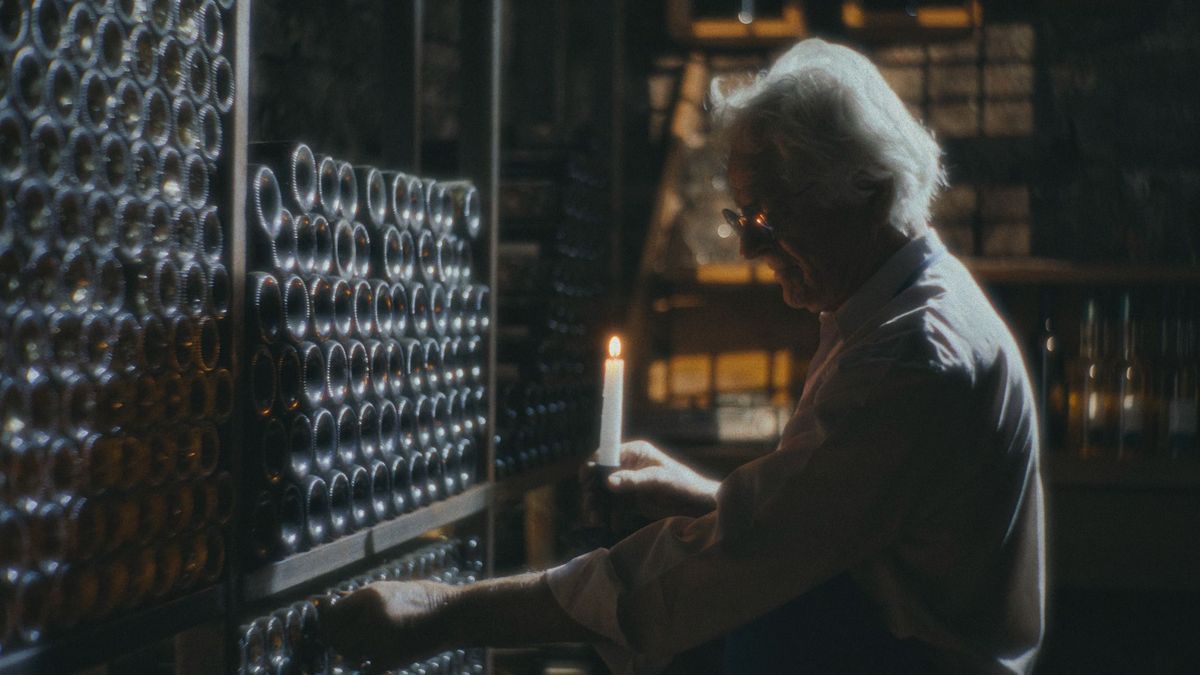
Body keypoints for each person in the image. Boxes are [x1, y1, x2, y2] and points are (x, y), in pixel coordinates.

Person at [321, 38, 1045, 674]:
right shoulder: (896, 302)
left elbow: (729, 563)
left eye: (770, 217)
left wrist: (437, 612)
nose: (750, 246)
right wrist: (706, 496)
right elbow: (836, 526)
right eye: (742, 216)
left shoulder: (910, 357)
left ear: (869, 192)